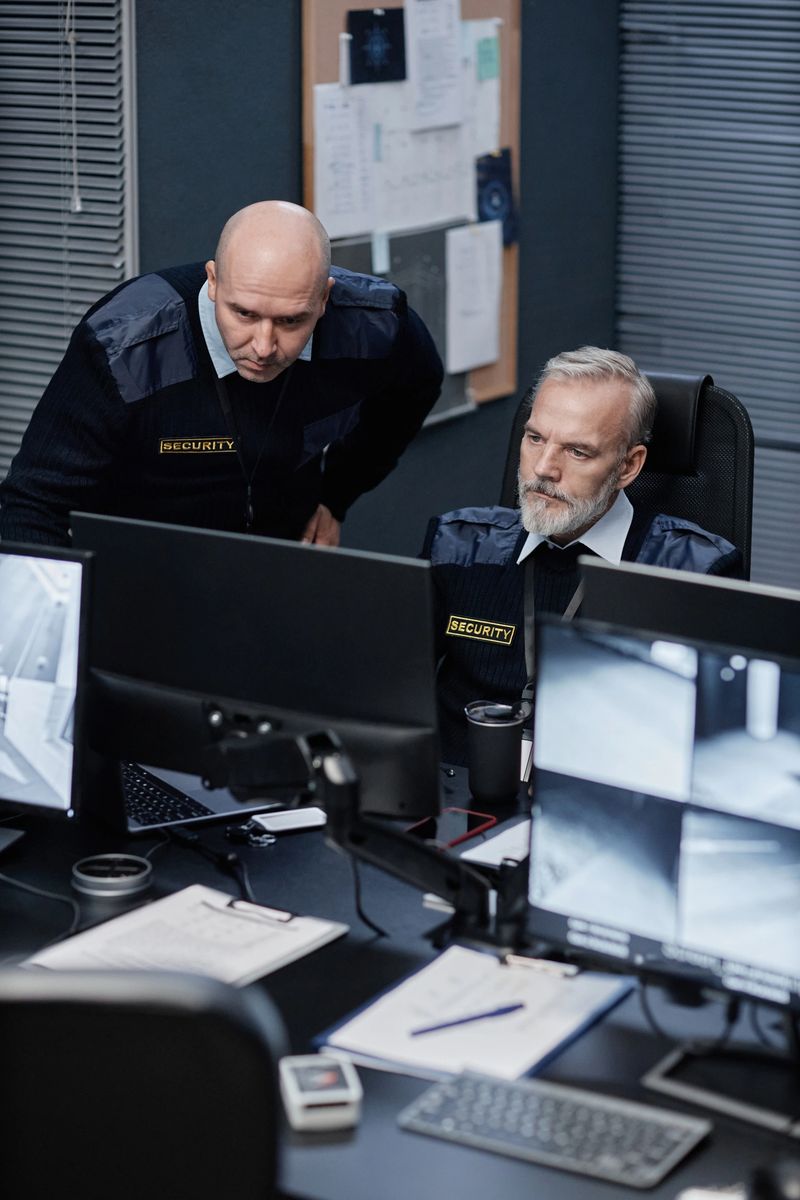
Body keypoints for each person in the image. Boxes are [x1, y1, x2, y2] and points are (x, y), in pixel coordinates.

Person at [0, 201, 443, 547]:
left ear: (325, 299)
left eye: (291, 321)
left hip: (278, 558)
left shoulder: (372, 324)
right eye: (243, 313)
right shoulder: (126, 346)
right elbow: (33, 504)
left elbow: (415, 389)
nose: (264, 347)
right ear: (212, 282)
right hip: (137, 561)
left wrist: (337, 495)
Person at [423, 346, 743, 764]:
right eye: (535, 438)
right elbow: (389, 697)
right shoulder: (458, 545)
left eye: (577, 451)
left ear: (629, 466)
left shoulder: (694, 573)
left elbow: (711, 750)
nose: (543, 468)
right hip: (459, 807)